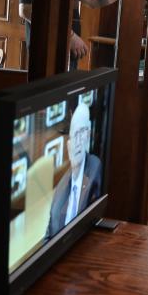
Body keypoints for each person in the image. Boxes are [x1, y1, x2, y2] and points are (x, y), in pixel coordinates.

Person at [48, 102, 103, 238]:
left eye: (82, 132)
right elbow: (48, 237)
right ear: (68, 146)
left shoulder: (95, 168)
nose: (78, 141)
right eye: (74, 135)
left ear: (88, 134)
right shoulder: (59, 190)